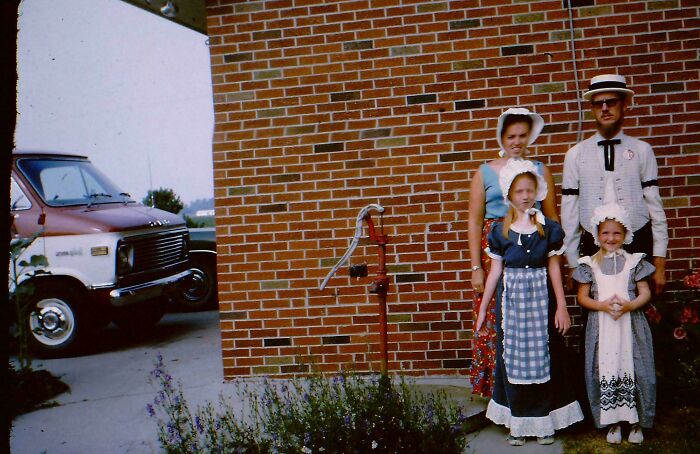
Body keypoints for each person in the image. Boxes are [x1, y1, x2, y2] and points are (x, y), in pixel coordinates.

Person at [475, 159, 583, 446]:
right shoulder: (500, 232)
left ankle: (544, 421)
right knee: (513, 359)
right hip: (511, 305)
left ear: (537, 192)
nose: (524, 196)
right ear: (509, 195)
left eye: (529, 190)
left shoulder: (549, 229)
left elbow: (554, 268)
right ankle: (519, 423)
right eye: (519, 191)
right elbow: (495, 271)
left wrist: (562, 306)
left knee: (545, 358)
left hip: (541, 301)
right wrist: (484, 309)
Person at [467, 107, 558, 397]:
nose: (516, 141)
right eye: (510, 136)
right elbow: (473, 219)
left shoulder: (540, 171)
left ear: (529, 136)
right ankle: (496, 389)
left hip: (532, 248)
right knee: (496, 314)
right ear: (501, 137)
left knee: (531, 315)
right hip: (494, 249)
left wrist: (559, 262)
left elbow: (552, 218)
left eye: (522, 135)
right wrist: (476, 267)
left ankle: (534, 388)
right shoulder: (485, 171)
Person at [562, 74, 668, 294]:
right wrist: (573, 261)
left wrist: (659, 263)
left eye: (611, 102)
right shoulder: (575, 154)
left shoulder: (641, 150)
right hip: (593, 246)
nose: (604, 108)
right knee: (596, 315)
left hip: (638, 243)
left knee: (639, 312)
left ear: (624, 105)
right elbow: (569, 212)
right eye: (598, 103)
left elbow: (655, 207)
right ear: (592, 108)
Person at [573, 203, 656, 445]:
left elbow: (645, 293)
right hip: (603, 326)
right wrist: (603, 306)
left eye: (616, 233)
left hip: (630, 326)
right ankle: (612, 423)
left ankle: (636, 422)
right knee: (606, 369)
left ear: (626, 234)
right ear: (597, 235)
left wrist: (630, 305)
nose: (611, 238)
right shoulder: (590, 264)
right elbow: (582, 297)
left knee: (634, 367)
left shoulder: (634, 262)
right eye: (606, 233)